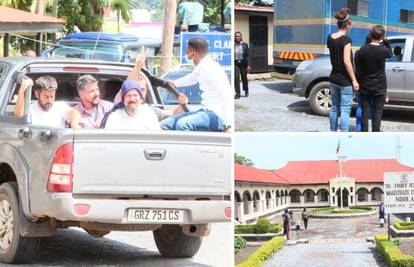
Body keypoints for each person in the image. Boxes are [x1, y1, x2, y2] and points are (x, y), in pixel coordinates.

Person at [162, 37, 233, 132]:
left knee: (183, 124)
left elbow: (226, 93)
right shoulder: (202, 66)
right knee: (164, 124)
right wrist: (174, 83)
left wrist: (228, 123)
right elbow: (192, 78)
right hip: (205, 111)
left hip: (217, 115)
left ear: (194, 53)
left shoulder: (210, 68)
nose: (186, 55)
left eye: (187, 51)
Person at [355, 25, 392, 132]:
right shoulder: (384, 50)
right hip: (380, 86)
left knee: (365, 111)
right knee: (377, 112)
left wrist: (358, 84)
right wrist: (386, 41)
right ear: (382, 37)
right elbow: (391, 53)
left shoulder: (362, 50)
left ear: (370, 34)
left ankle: (365, 134)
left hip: (365, 85)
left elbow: (359, 71)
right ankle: (375, 134)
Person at [327, 8, 359, 132]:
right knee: (345, 109)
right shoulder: (346, 40)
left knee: (334, 107)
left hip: (333, 78)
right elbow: (347, 61)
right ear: (348, 25)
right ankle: (344, 135)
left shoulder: (330, 37)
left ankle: (333, 132)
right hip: (345, 81)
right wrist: (354, 80)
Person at [15, 76, 80, 128]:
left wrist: (74, 124)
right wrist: (22, 91)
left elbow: (74, 113)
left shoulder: (60, 106)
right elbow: (18, 116)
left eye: (52, 97)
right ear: (37, 94)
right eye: (46, 97)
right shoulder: (30, 108)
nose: (49, 100)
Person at [234, 31, 250, 99]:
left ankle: (246, 90)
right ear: (235, 37)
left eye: (239, 36)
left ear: (241, 37)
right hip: (236, 64)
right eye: (236, 36)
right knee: (236, 78)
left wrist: (248, 65)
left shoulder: (245, 45)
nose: (238, 37)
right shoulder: (233, 45)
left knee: (244, 78)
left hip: (243, 64)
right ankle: (237, 94)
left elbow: (248, 55)